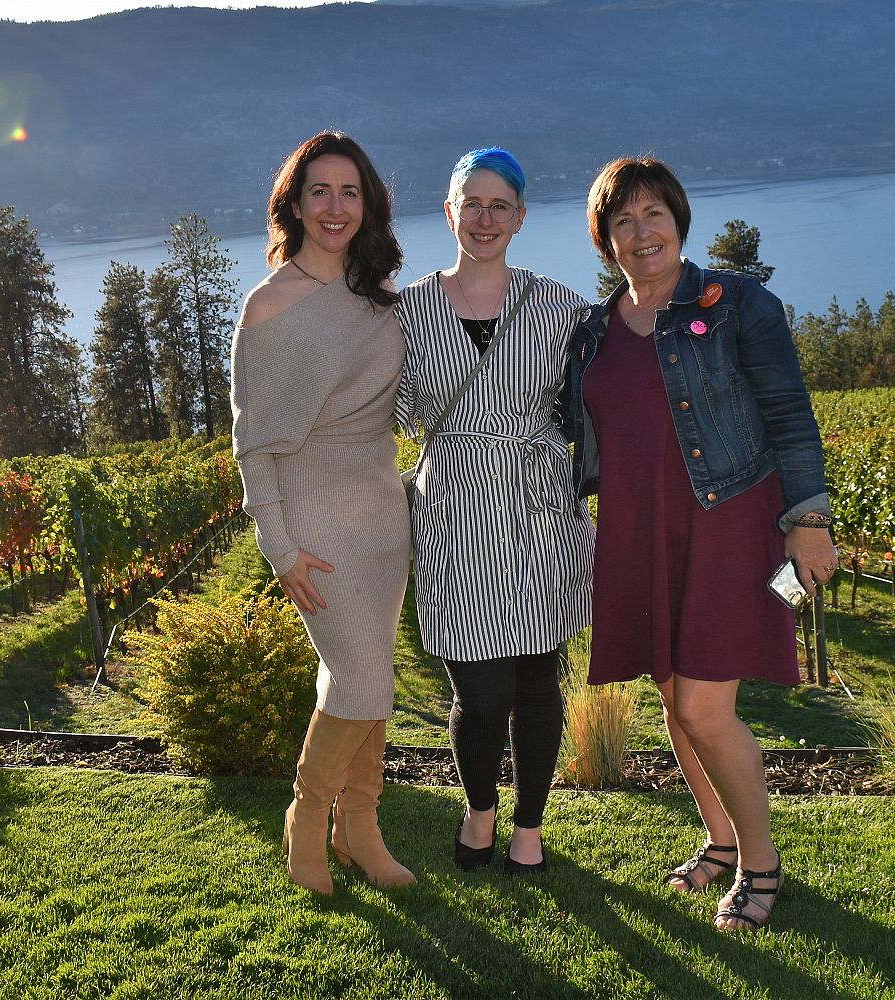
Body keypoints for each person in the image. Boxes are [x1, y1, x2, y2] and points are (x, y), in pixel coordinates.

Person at [561, 157, 836, 931]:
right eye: (622, 220)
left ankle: (761, 866)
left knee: (706, 708)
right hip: (638, 528)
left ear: (679, 221)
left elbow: (789, 412)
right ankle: (718, 840)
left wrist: (808, 520)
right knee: (673, 699)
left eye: (654, 214)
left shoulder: (739, 302)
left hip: (728, 520)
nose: (640, 231)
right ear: (604, 237)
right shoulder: (594, 329)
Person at [395, 148, 592, 875]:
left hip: (539, 506)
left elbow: (603, 402)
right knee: (478, 693)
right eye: (470, 204)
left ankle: (529, 827)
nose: (484, 218)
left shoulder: (561, 307)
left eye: (498, 205)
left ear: (520, 218)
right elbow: (375, 405)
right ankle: (481, 808)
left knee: (539, 678)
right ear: (448, 212)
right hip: (452, 510)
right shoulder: (407, 311)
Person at [230, 130, 414, 896]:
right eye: (319, 192)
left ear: (365, 204)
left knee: (365, 681)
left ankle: (361, 829)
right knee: (360, 676)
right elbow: (253, 444)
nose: (335, 207)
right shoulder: (268, 306)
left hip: (382, 516)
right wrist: (280, 547)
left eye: (349, 192)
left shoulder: (379, 301)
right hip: (316, 522)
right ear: (295, 205)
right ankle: (308, 823)